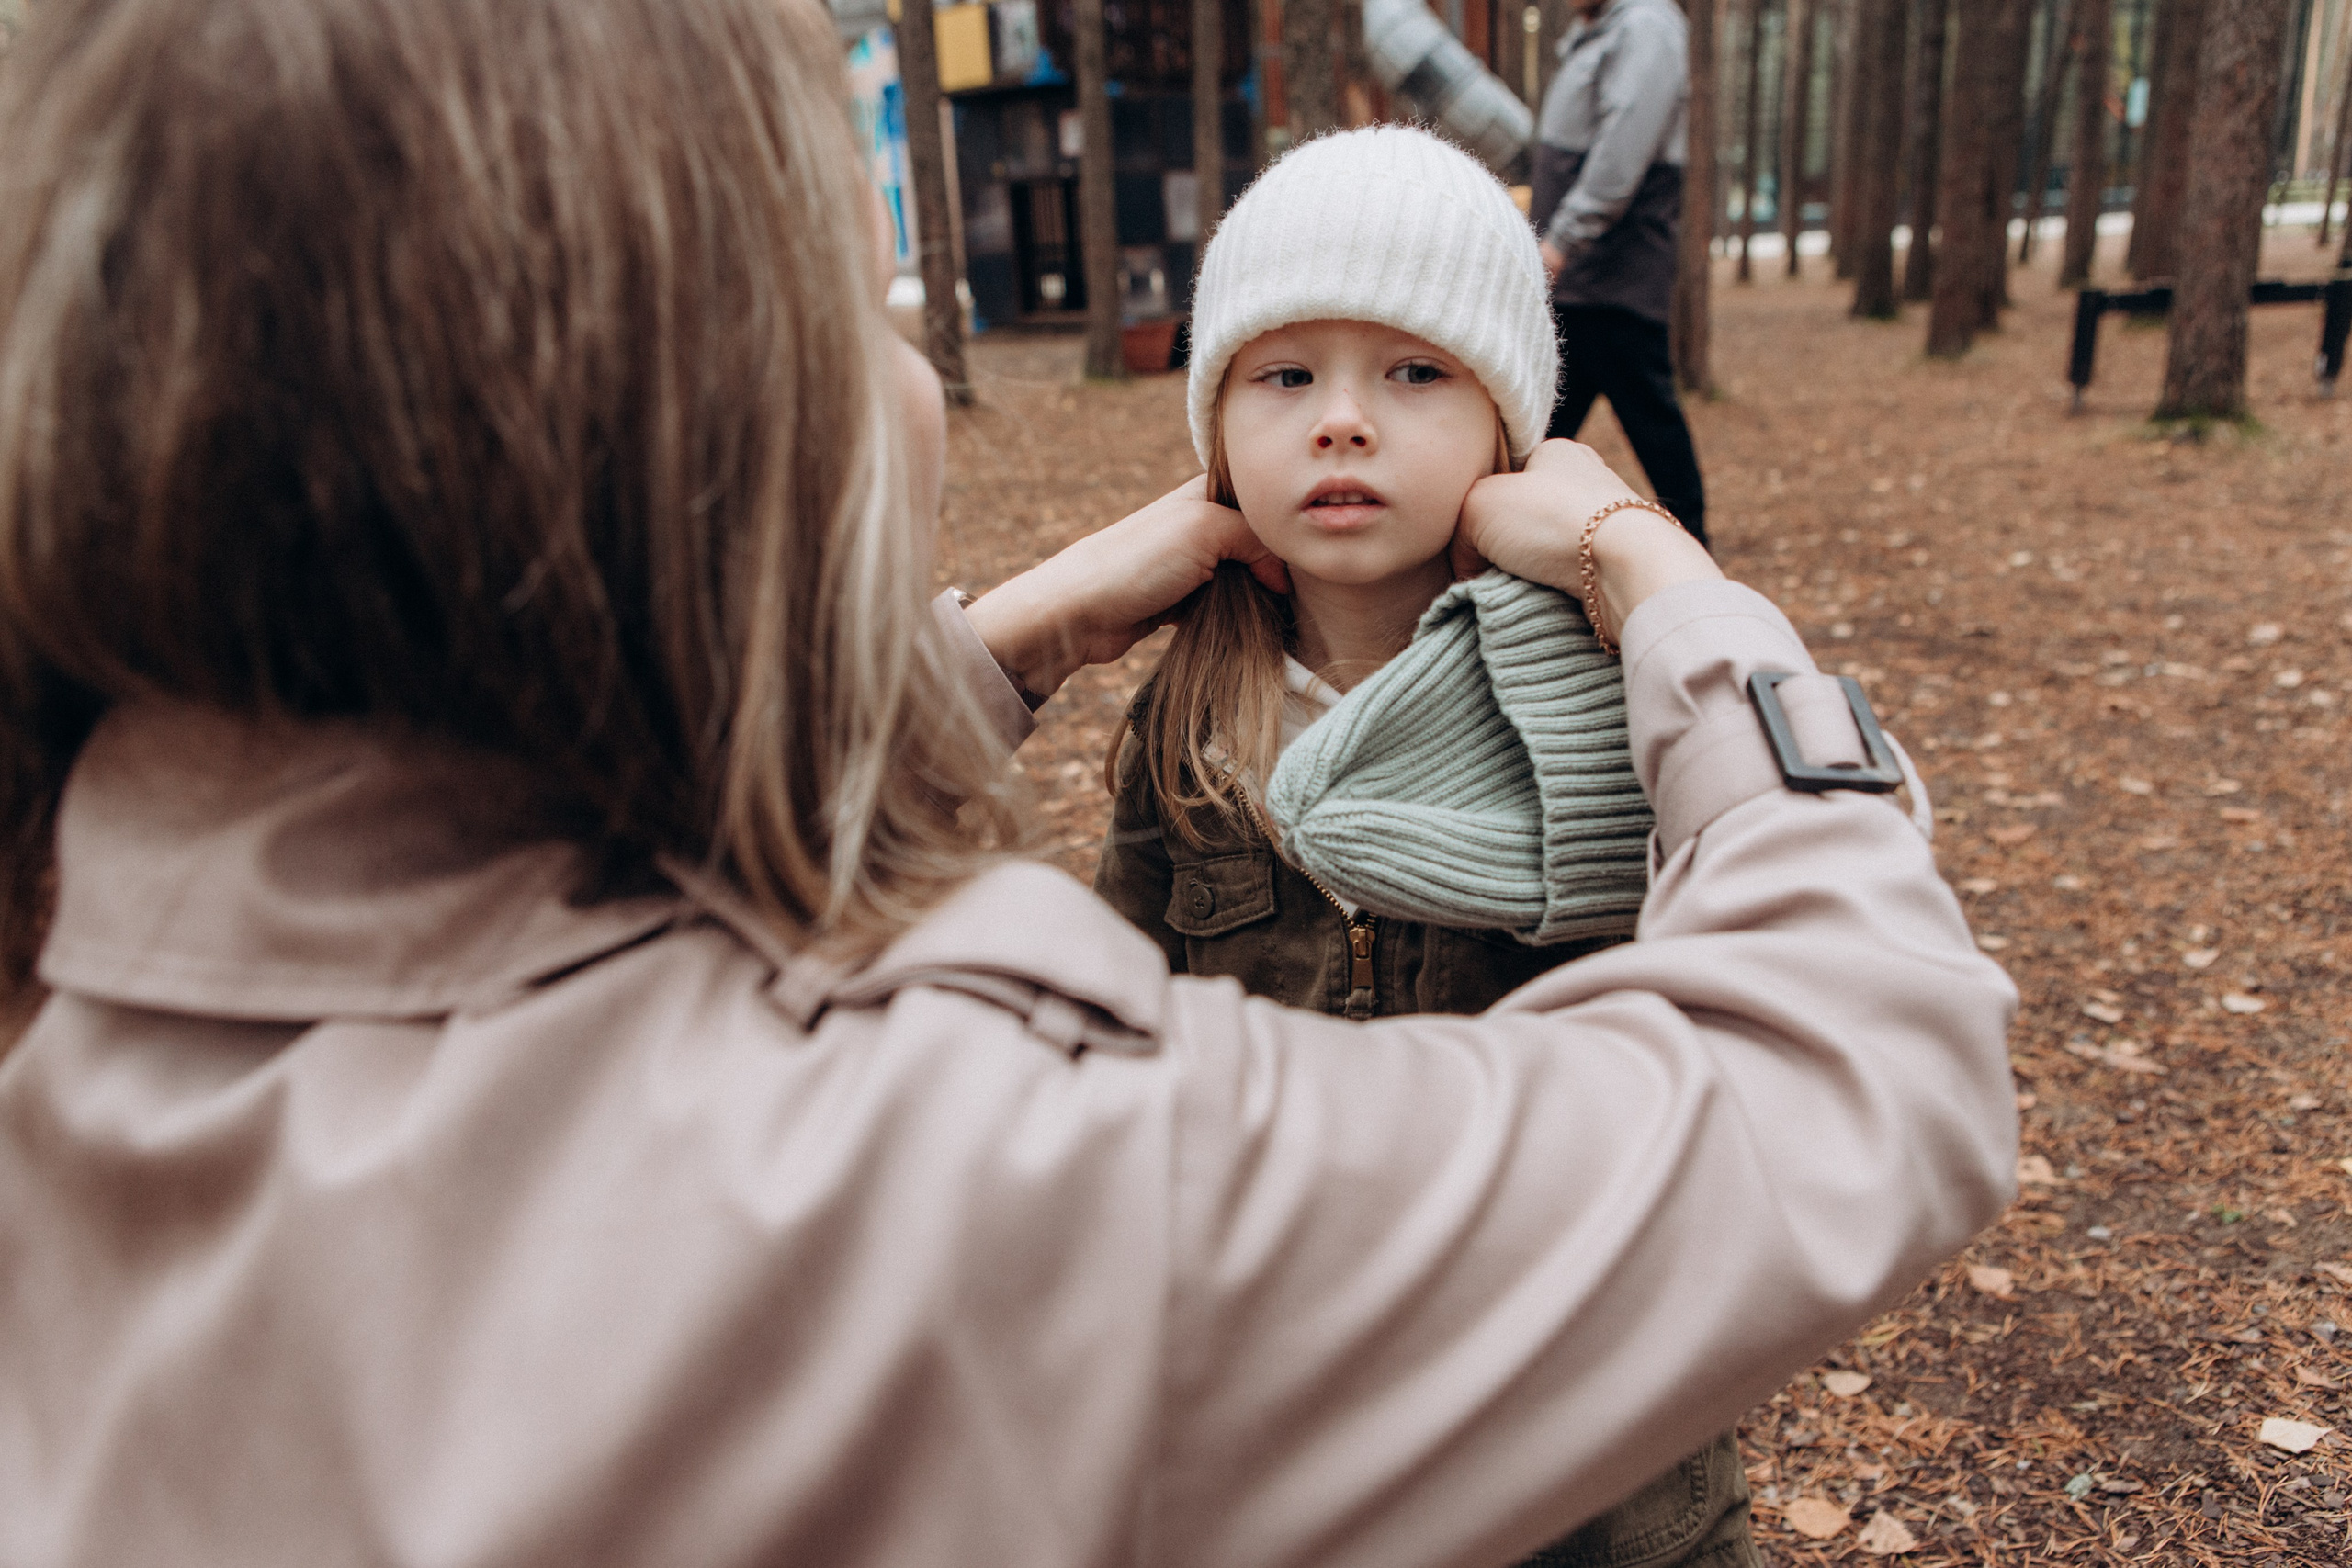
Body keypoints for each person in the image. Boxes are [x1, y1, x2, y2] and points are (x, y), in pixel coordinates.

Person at [0, 1, 2017, 1564]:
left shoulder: (69, 1071)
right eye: (852, 290)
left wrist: (1005, 638)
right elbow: (1858, 1063)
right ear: (678, 415)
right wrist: (1663, 573)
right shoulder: (986, 1192)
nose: (906, 372)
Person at [1091, 127, 1755, 1567]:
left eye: (1413, 371)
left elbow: (1795, 914)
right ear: (1218, 429)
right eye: (1285, 375)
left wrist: (1641, 571)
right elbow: (1120, 1056)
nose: (1342, 421)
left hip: (1597, 1452)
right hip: (1296, 1441)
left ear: (1509, 428)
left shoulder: (1619, 685)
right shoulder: (1189, 722)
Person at [1532, 0, 1711, 547]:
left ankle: (1695, 561)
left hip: (1611, 281)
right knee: (1534, 429)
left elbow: (1622, 153)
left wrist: (1561, 242)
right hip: (1585, 287)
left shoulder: (1647, 27)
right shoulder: (1599, 33)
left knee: (1649, 427)